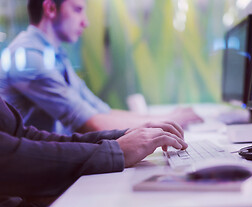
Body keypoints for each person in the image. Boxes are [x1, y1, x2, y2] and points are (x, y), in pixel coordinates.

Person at [0, 95, 229, 207]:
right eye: (78, 13)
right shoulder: (34, 61)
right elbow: (8, 160)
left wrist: (125, 137)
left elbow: (27, 138)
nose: (86, 22)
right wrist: (116, 150)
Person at [0, 0, 203, 136]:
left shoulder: (55, 56)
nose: (86, 22)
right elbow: (91, 124)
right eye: (78, 10)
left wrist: (165, 120)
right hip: (26, 185)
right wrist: (167, 121)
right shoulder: (28, 56)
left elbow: (100, 112)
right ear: (51, 9)